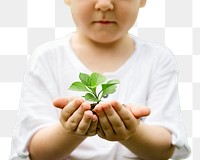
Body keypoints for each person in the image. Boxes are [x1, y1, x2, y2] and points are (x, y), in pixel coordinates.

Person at [10, 0, 191, 159]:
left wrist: (132, 132)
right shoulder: (47, 58)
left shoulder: (158, 59)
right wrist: (70, 131)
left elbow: (164, 149)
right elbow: (35, 153)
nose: (104, 4)